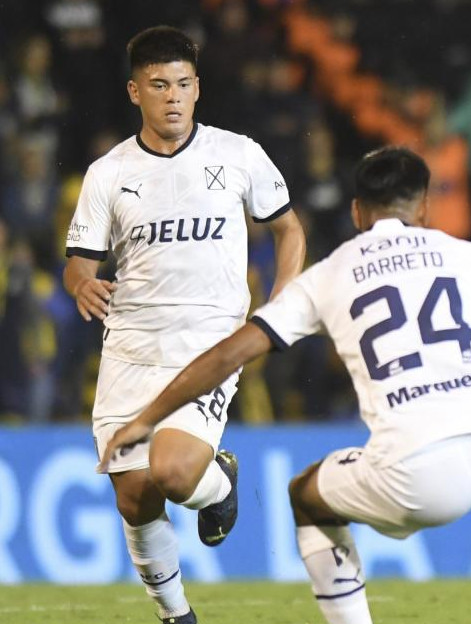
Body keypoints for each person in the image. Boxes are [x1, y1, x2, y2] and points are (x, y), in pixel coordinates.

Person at [98, 147, 471, 624]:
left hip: (418, 469)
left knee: (307, 495)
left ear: (358, 213)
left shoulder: (331, 274)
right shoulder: (469, 258)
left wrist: (149, 416)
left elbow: (235, 349)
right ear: (424, 210)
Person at [63, 26, 306, 624]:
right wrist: (81, 285)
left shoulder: (238, 153)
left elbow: (290, 230)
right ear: (133, 92)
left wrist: (281, 306)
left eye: (183, 84)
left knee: (171, 472)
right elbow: (79, 262)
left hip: (209, 342)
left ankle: (217, 484)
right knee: (133, 494)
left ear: (198, 88)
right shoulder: (107, 173)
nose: (172, 97)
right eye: (158, 85)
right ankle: (177, 617)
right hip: (130, 347)